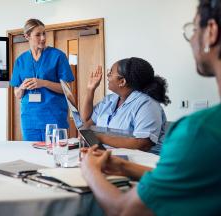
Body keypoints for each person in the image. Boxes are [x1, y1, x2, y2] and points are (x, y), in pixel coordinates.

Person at [80, 0, 221, 215]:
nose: (191, 38)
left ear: (211, 31)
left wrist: (90, 171)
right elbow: (182, 177)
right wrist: (122, 166)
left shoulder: (197, 131)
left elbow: (124, 209)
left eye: (192, 29)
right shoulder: (110, 100)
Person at [81, 58, 170, 154]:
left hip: (140, 163)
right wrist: (90, 90)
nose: (107, 76)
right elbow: (86, 122)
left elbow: (143, 144)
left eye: (110, 73)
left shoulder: (147, 104)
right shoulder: (109, 100)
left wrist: (99, 137)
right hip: (109, 157)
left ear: (122, 82)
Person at [10, 18, 75, 141]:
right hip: (30, 121)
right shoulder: (20, 60)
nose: (43, 38)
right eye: (38, 35)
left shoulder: (58, 56)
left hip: (54, 119)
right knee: (32, 156)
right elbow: (17, 94)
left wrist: (43, 83)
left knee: (55, 155)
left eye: (44, 33)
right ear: (27, 36)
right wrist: (22, 86)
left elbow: (67, 89)